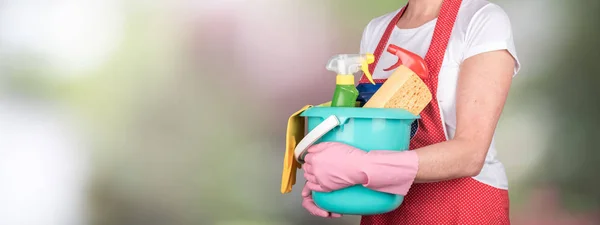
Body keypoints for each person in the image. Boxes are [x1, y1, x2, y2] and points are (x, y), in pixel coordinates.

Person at [300, 0, 520, 224]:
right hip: (383, 207)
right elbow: (372, 131)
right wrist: (328, 176)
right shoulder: (377, 30)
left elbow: (471, 154)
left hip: (462, 209)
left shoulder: (481, 20)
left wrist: (362, 166)